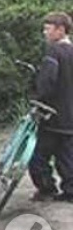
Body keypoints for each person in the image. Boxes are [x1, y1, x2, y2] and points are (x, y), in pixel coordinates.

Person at [28, 11, 73, 202]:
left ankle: (46, 188)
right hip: (70, 116)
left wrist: (37, 99)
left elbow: (47, 81)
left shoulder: (54, 52)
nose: (44, 33)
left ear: (60, 30)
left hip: (53, 114)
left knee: (38, 155)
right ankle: (70, 191)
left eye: (47, 29)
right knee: (67, 156)